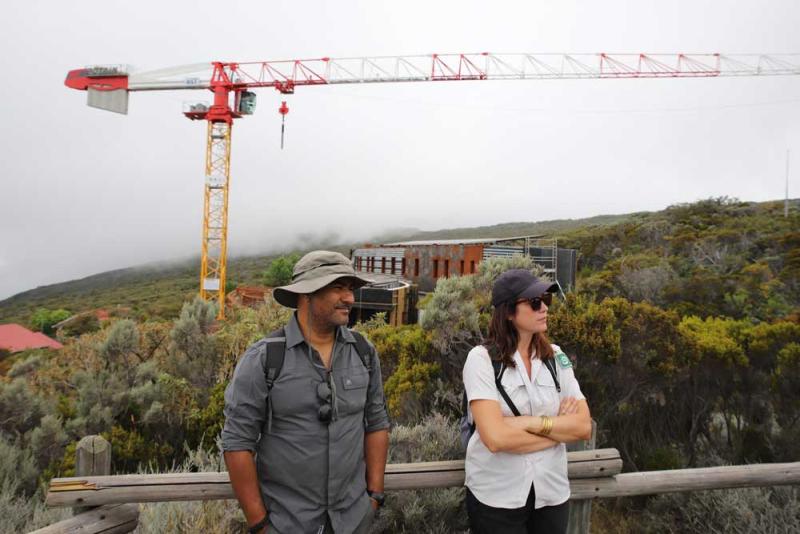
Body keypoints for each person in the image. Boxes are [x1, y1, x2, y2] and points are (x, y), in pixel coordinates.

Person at [222, 250, 391, 534]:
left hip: (353, 521)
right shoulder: (264, 359)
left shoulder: (363, 352)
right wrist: (260, 525)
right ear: (306, 294)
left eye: (349, 288)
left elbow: (376, 423)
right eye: (337, 287)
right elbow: (237, 442)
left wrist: (374, 496)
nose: (349, 298)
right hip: (286, 523)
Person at [462, 269, 592, 534]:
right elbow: (495, 439)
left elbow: (582, 426)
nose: (544, 307)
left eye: (546, 300)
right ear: (509, 312)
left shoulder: (557, 357)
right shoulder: (481, 360)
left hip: (551, 494)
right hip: (496, 497)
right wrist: (557, 431)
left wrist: (526, 423)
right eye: (534, 302)